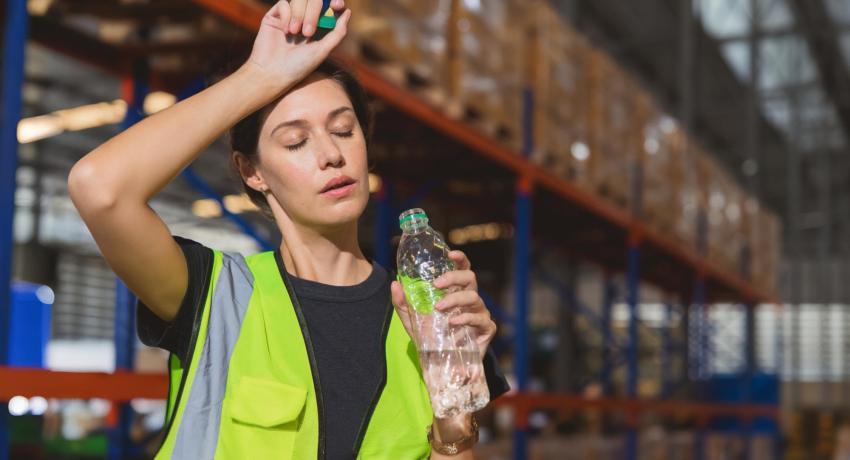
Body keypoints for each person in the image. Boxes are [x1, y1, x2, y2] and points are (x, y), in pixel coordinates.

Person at [68, 1, 509, 458]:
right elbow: (100, 189)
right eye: (296, 141)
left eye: (343, 130)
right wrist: (260, 74)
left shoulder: (430, 321)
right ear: (251, 171)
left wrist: (453, 410)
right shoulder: (215, 295)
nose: (331, 155)